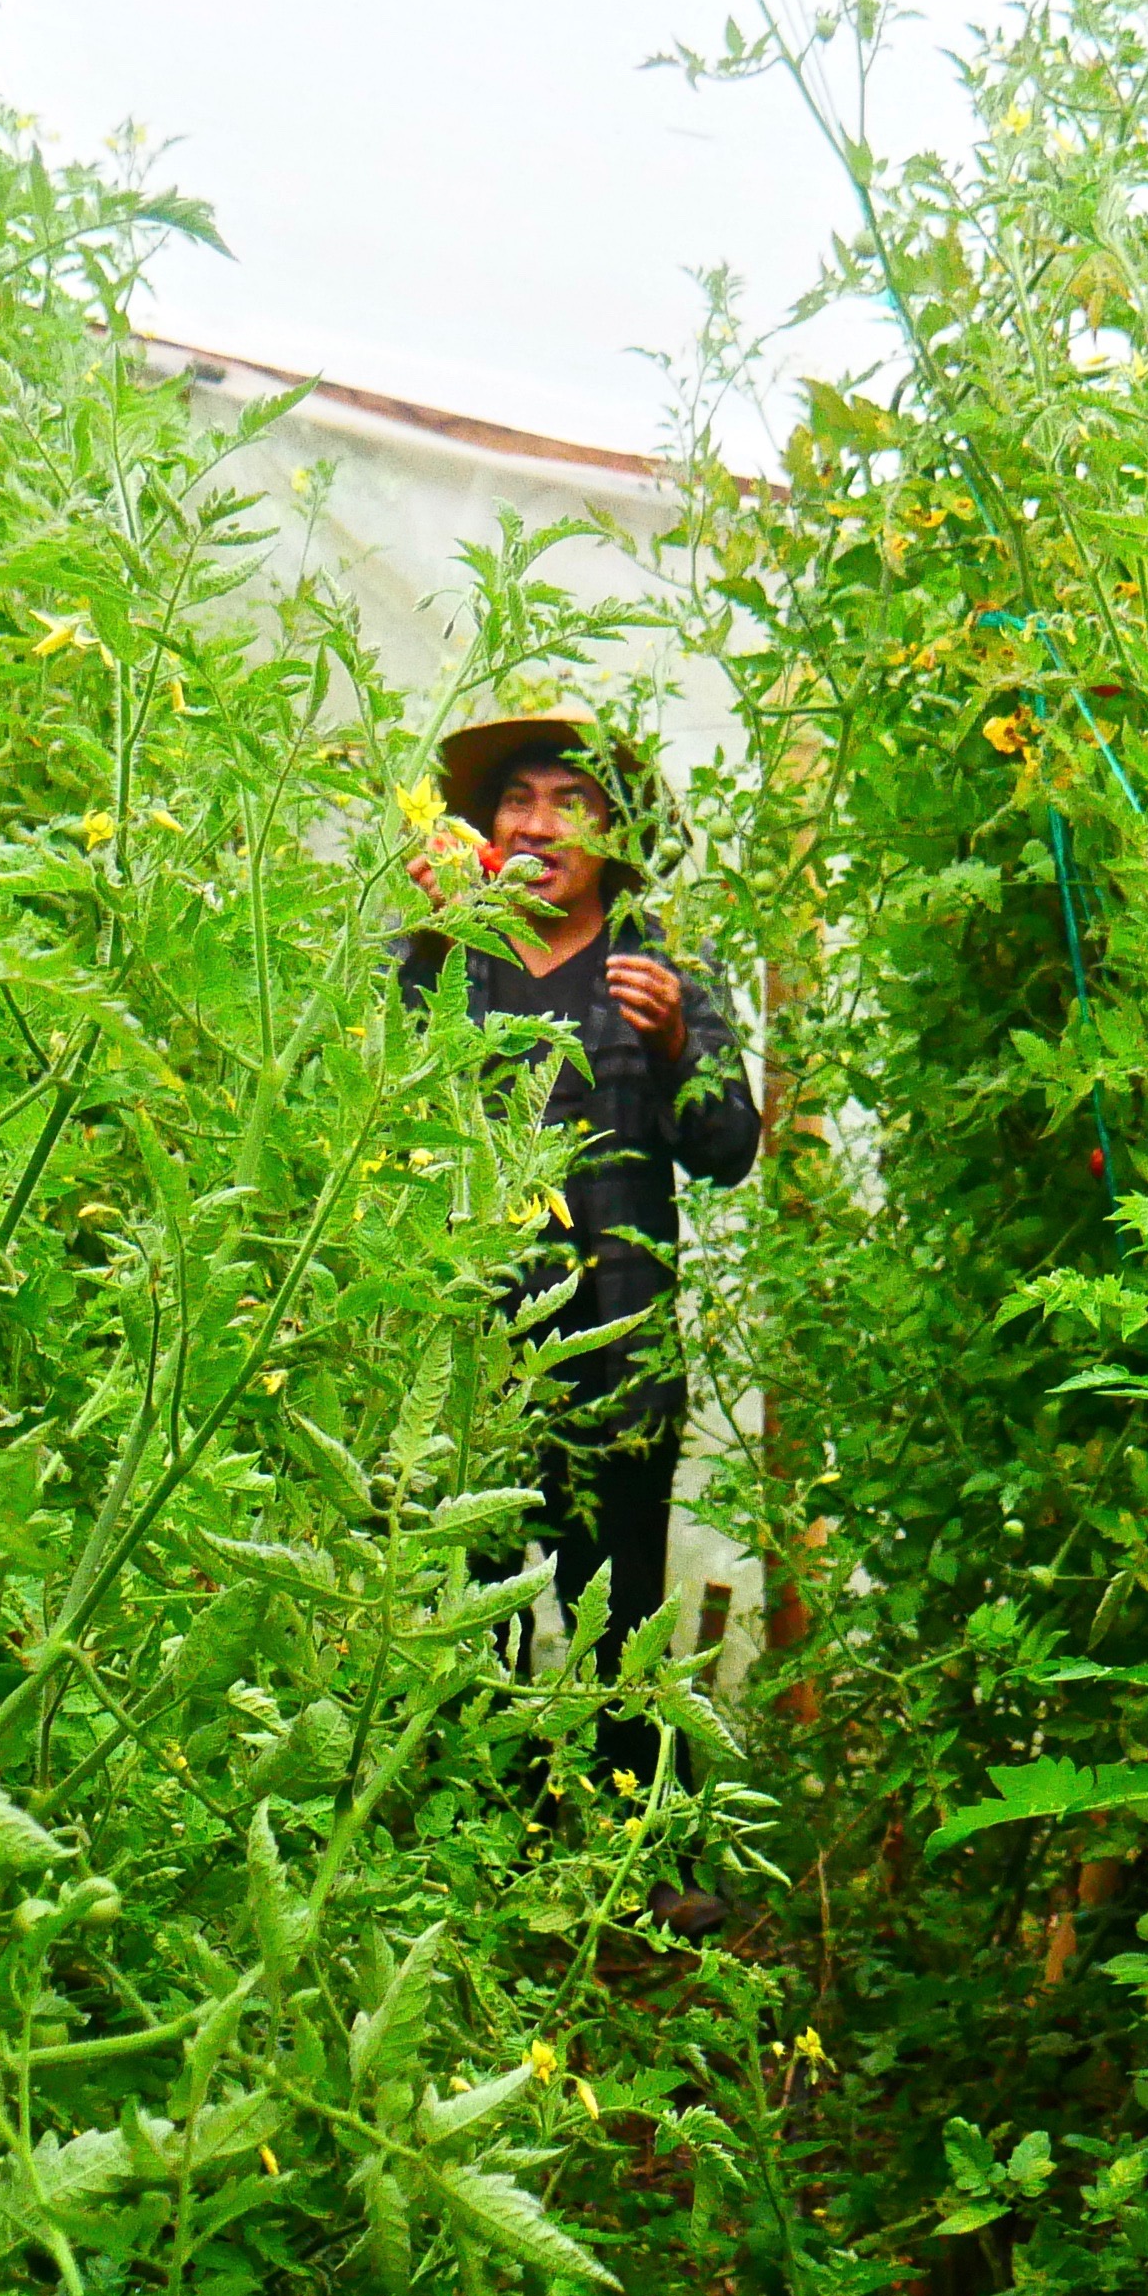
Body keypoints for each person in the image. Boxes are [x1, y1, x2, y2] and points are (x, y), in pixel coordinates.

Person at [398, 711, 760, 1912]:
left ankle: (637, 1865)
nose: (539, 824)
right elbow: (380, 1117)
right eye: (518, 801)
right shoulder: (442, 957)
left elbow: (727, 1148)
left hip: (622, 1340)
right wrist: (437, 928)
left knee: (622, 1610)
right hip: (481, 1343)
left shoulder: (655, 967)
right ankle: (489, 1854)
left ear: (613, 837)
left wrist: (667, 1046)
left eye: (572, 803)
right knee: (482, 1600)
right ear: (481, 827)